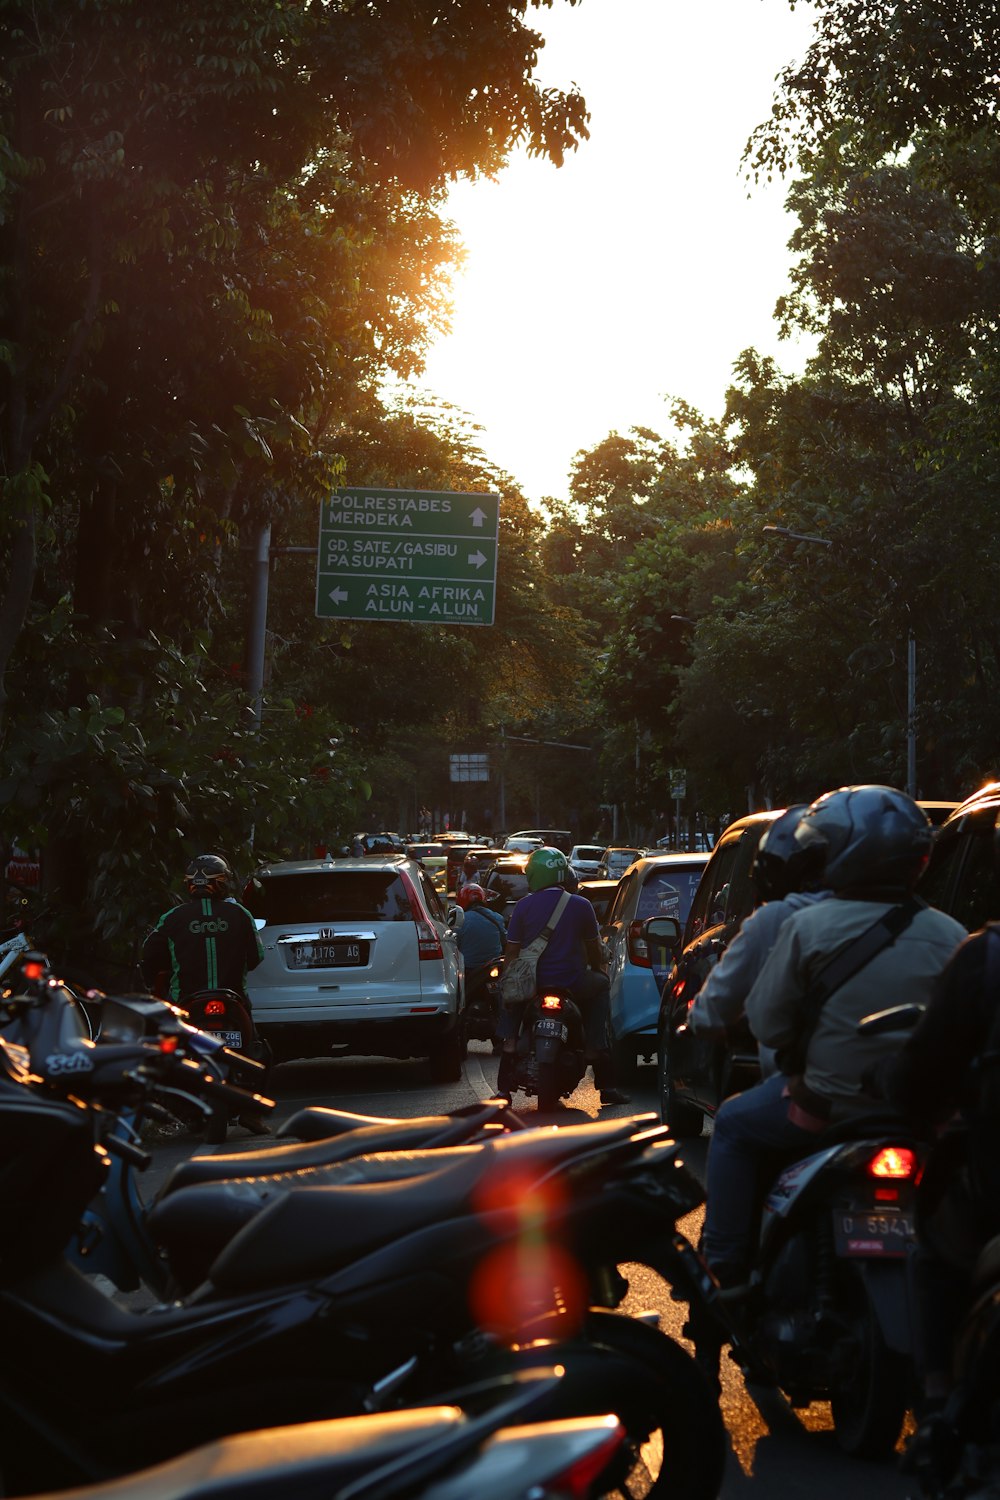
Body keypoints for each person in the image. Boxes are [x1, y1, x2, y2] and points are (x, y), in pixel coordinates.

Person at [701, 785, 967, 1288]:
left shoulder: (805, 925)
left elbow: (768, 1026)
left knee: (734, 1124)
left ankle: (726, 1269)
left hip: (825, 1112)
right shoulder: (951, 934)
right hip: (923, 1118)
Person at [686, 804, 832, 1076]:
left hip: (809, 1086)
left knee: (733, 1118)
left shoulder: (775, 918)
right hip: (904, 1091)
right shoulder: (929, 922)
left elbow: (709, 1012)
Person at [141, 854, 271, 1135]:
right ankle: (252, 1113)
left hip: (188, 1003)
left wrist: (155, 981)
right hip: (234, 999)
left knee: (170, 1053)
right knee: (256, 1050)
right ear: (223, 883)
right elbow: (256, 957)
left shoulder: (173, 918)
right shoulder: (240, 915)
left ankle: (182, 1110)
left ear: (190, 885)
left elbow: (148, 956)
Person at [500, 845, 629, 1106]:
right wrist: (596, 967)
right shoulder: (581, 905)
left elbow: (512, 953)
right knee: (602, 986)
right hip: (575, 983)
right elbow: (594, 948)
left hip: (534, 984)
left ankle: (510, 1044)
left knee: (510, 991)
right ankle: (596, 1050)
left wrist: (510, 980)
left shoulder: (523, 907)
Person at [456, 882, 507, 1013]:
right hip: (494, 969)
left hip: (469, 971)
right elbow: (505, 941)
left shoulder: (460, 920)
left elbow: (454, 946)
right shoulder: (497, 917)